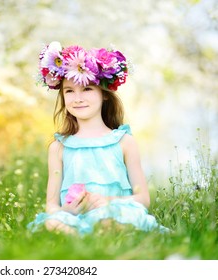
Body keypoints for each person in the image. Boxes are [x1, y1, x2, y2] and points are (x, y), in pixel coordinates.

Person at [28, 41, 168, 235]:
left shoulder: (124, 142)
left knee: (112, 220)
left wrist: (107, 202)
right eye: (69, 91)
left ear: (104, 95)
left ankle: (100, 233)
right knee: (52, 223)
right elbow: (51, 206)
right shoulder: (59, 148)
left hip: (115, 212)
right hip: (74, 216)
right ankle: (83, 236)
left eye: (87, 89)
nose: (78, 98)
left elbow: (142, 198)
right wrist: (66, 210)